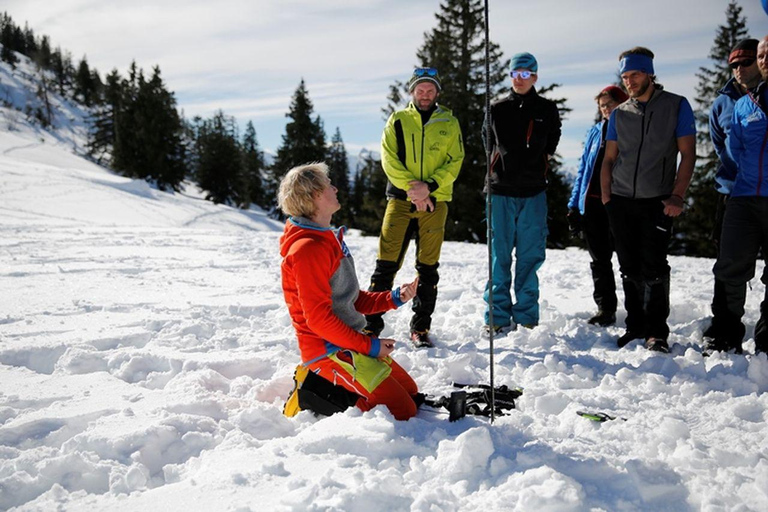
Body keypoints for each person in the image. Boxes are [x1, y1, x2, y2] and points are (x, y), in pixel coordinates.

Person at [278, 163, 421, 420]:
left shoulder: (327, 239)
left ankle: (337, 386)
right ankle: (312, 391)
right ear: (315, 195)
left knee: (410, 393)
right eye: (328, 185)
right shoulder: (308, 249)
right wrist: (371, 347)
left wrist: (394, 297)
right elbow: (319, 320)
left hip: (348, 341)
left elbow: (349, 299)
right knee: (403, 411)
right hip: (328, 350)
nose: (335, 189)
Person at [600, 47, 696, 353]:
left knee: (654, 266)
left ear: (650, 74)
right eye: (625, 76)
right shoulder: (619, 113)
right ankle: (635, 326)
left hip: (658, 200)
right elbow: (609, 158)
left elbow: (688, 154)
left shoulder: (676, 106)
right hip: (621, 200)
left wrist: (677, 195)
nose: (629, 81)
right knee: (628, 266)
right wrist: (607, 198)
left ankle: (656, 332)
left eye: (635, 74)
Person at [364, 67, 464, 348]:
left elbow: (455, 160)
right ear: (412, 92)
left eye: (430, 90)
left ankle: (420, 328)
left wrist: (428, 187)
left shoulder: (449, 122)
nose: (425, 95)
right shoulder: (397, 120)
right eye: (420, 90)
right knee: (385, 266)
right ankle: (371, 327)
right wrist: (415, 190)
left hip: (435, 202)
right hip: (400, 200)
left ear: (437, 92)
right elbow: (389, 159)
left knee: (428, 268)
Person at [484, 52, 562, 332]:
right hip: (500, 190)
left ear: (535, 77)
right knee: (499, 256)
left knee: (530, 257)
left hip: (533, 192)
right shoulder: (497, 108)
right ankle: (496, 316)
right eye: (515, 74)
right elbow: (487, 142)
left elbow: (552, 141)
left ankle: (527, 316)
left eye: (525, 74)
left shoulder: (546, 109)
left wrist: (538, 163)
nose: (519, 79)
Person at [702, 38, 763, 353]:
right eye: (734, 64)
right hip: (735, 194)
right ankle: (724, 332)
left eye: (746, 62)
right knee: (729, 265)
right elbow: (722, 148)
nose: (739, 69)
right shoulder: (724, 103)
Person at [567, 85, 629, 327]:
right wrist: (574, 205)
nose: (606, 109)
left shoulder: (630, 130)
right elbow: (583, 169)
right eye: (602, 106)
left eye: (610, 104)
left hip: (620, 202)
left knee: (628, 259)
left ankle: (637, 309)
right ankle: (606, 309)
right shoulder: (595, 132)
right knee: (599, 260)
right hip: (592, 204)